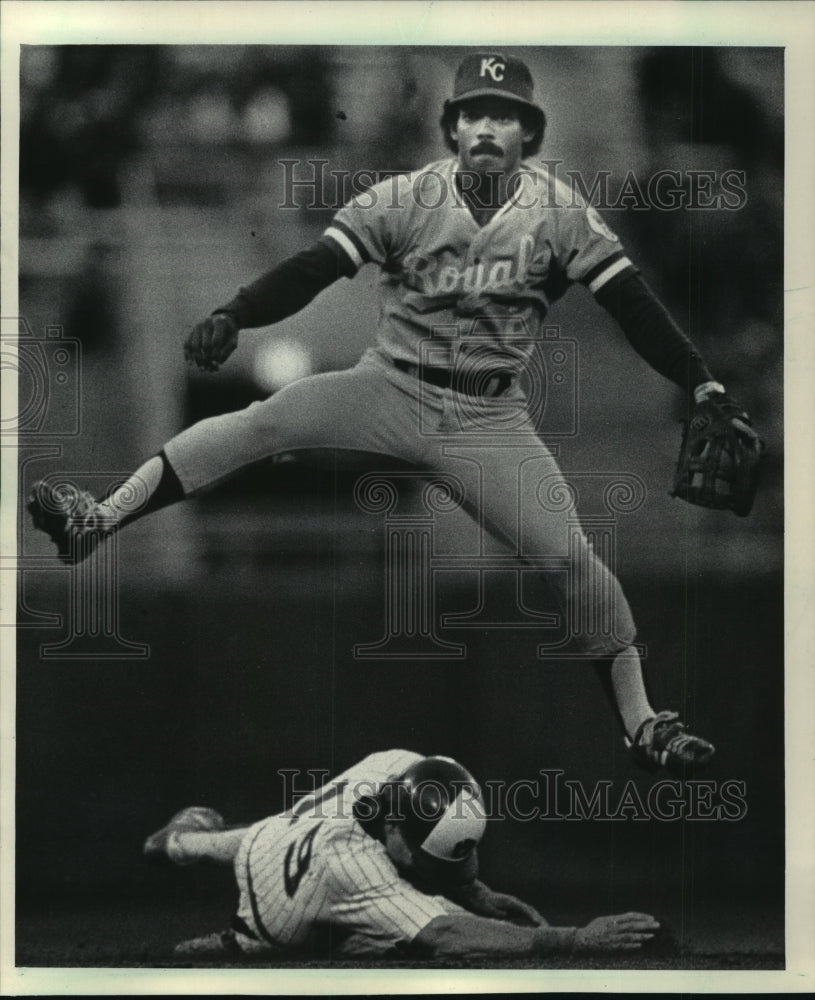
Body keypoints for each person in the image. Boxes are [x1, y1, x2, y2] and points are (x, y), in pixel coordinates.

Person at [27, 51, 753, 769]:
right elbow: (317, 266)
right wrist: (236, 312)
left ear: (528, 132)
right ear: (451, 129)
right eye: (473, 114)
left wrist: (701, 384)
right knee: (262, 422)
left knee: (570, 557)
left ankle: (641, 723)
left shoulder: (559, 213)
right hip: (389, 388)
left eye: (504, 115)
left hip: (484, 418)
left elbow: (631, 303)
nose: (487, 129)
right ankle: (100, 518)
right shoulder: (405, 199)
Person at [143, 748, 661, 959]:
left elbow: (430, 850)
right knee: (403, 939)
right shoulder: (355, 864)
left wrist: (475, 890)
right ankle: (228, 935)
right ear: (392, 827)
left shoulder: (404, 767)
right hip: (279, 905)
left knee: (228, 838)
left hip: (289, 828)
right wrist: (572, 938)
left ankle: (182, 841)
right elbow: (445, 932)